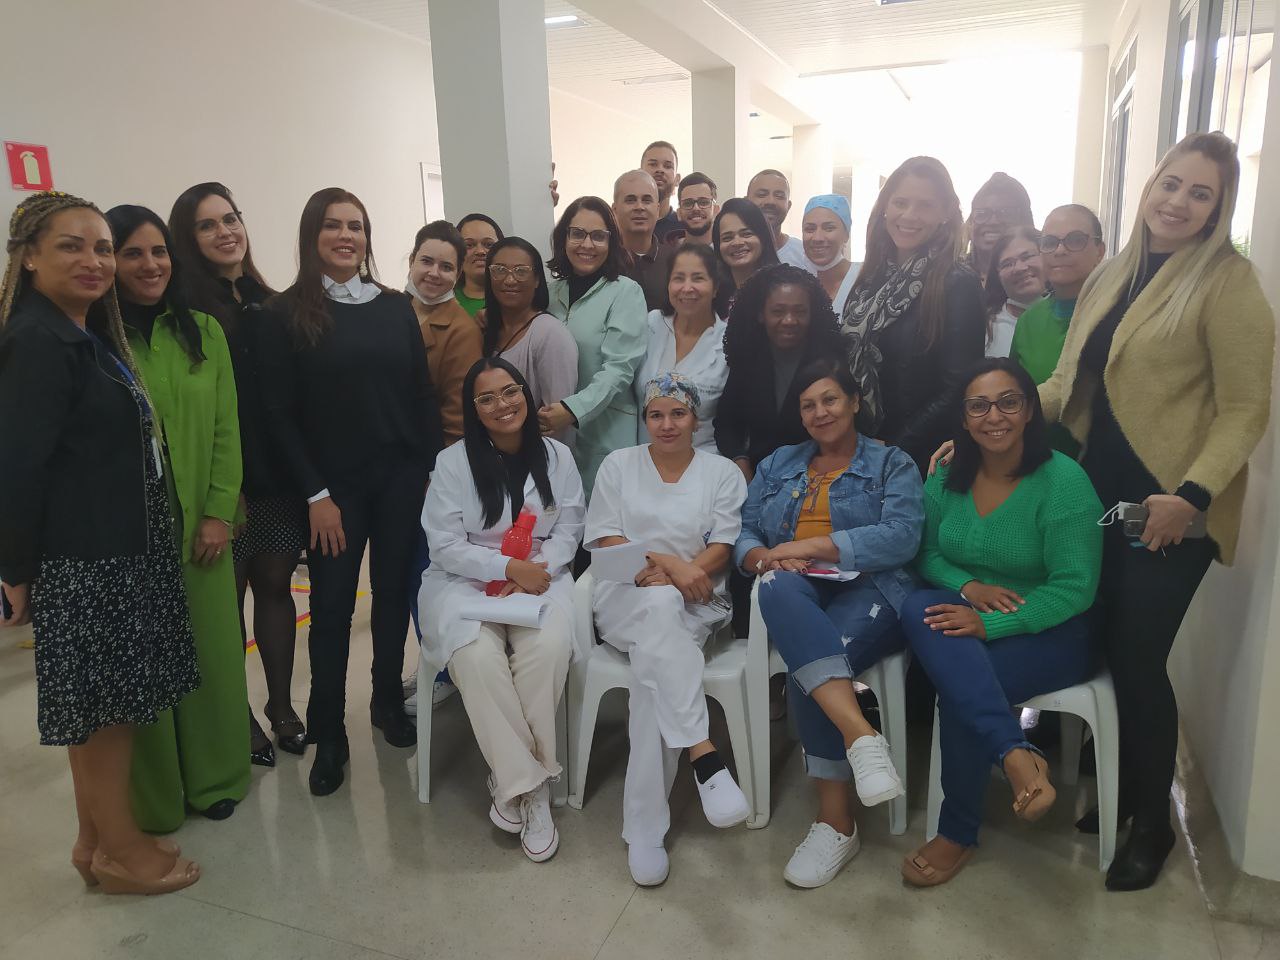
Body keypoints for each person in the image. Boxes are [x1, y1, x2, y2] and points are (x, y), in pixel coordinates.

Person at [1037, 132, 1274, 891]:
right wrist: (986, 422)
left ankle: (1152, 824)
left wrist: (1192, 496)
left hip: (1173, 507)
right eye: (1171, 184)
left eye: (1200, 194)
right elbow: (1064, 382)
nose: (1178, 202)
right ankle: (1120, 786)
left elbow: (1246, 409)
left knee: (1139, 658)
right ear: (1150, 185)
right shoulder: (1114, 272)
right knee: (1108, 647)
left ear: (1218, 208)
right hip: (1099, 494)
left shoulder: (1228, 282)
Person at [0, 191, 200, 894]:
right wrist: (13, 569)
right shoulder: (36, 341)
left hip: (115, 550)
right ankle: (119, 849)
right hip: (87, 558)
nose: (94, 261)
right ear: (29, 257)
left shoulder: (78, 334)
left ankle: (94, 841)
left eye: (101, 248)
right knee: (106, 713)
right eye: (71, 246)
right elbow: (18, 464)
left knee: (100, 706)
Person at [258, 187, 445, 797]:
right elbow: (279, 414)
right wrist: (315, 494)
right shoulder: (285, 313)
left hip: (398, 480)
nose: (346, 236)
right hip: (332, 491)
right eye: (334, 225)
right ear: (311, 234)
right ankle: (329, 732)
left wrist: (426, 469)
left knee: (392, 594)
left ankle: (386, 701)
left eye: (357, 226)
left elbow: (420, 393)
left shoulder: (393, 307)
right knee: (334, 608)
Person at [902, 358, 1102, 887]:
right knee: (916, 608)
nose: (994, 416)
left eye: (1008, 402)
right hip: (970, 612)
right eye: (979, 406)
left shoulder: (1063, 481)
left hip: (1053, 631)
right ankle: (1016, 754)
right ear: (964, 419)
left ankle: (956, 832)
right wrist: (971, 589)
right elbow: (925, 553)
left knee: (962, 689)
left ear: (1030, 410)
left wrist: (991, 625)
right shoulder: (947, 475)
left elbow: (1075, 587)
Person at [737, 357, 924, 889]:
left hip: (873, 587)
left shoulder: (891, 463)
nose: (820, 412)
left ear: (854, 402)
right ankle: (862, 736)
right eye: (808, 405)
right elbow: (745, 533)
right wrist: (766, 558)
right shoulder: (778, 464)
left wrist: (813, 545)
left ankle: (835, 822)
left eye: (830, 399)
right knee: (775, 586)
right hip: (795, 588)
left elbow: (903, 536)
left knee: (812, 664)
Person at [106, 204, 251, 829]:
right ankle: (157, 799)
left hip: (199, 525)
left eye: (159, 251)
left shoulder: (202, 332)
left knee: (212, 653)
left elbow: (225, 428)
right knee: (144, 663)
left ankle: (217, 777)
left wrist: (218, 511)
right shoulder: (96, 341)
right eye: (132, 253)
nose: (150, 265)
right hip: (124, 531)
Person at [418, 358, 585, 863]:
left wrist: (536, 569)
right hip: (463, 583)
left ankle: (515, 782)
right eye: (486, 398)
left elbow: (570, 529)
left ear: (525, 394)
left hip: (542, 578)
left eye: (510, 392)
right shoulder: (452, 463)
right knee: (475, 657)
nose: (502, 405)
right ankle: (530, 787)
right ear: (473, 410)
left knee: (548, 649)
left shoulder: (557, 456)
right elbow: (444, 544)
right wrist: (506, 567)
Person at [587, 373, 750, 886]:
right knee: (657, 607)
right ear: (644, 419)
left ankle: (645, 830)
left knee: (650, 680)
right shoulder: (618, 465)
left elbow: (723, 546)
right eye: (656, 414)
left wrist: (682, 575)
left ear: (695, 419)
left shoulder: (722, 472)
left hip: (696, 603)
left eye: (678, 413)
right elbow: (606, 539)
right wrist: (671, 565)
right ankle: (703, 753)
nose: (667, 424)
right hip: (622, 597)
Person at [169, 182, 306, 768]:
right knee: (224, 603)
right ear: (187, 238)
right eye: (208, 224)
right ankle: (239, 715)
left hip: (278, 479)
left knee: (276, 587)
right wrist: (225, 493)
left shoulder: (268, 302)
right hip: (224, 486)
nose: (225, 231)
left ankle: (281, 705)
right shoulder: (184, 312)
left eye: (231, 218)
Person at [840, 156, 986, 472]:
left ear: (946, 213)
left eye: (925, 205)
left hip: (917, 456)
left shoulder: (957, 282)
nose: (909, 215)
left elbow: (959, 386)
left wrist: (895, 446)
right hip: (861, 444)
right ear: (885, 207)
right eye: (900, 202)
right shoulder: (872, 277)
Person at [542, 196, 648, 494]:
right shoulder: (549, 293)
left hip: (607, 434)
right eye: (577, 233)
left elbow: (619, 369)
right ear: (563, 238)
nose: (587, 245)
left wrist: (572, 410)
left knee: (605, 517)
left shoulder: (625, 292)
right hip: (553, 434)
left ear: (611, 242)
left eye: (598, 236)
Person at [715, 263, 844, 482]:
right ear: (761, 314)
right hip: (757, 477)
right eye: (778, 311)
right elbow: (726, 424)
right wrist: (740, 461)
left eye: (800, 311)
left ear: (811, 314)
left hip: (818, 479)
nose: (789, 320)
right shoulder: (748, 359)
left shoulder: (830, 362)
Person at [477, 236, 579, 446]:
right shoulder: (485, 328)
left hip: (535, 457)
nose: (509, 280)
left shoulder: (550, 334)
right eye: (500, 270)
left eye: (521, 271)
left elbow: (556, 423)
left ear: (537, 279)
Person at [633, 242, 727, 452]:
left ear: (715, 287)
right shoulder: (651, 324)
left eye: (698, 278)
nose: (687, 288)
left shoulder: (728, 342)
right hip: (645, 459)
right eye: (678, 278)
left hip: (704, 461)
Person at [406, 220, 484, 446]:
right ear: (412, 261)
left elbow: (457, 420)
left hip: (424, 450)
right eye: (426, 261)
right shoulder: (391, 309)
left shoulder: (463, 331)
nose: (434, 273)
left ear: (458, 274)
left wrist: (440, 464)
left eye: (446, 267)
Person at [1010, 204, 1106, 384]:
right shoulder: (1029, 321)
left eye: (1075, 240)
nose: (1060, 251)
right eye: (1050, 243)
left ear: (1099, 252)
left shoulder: (1117, 311)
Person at [614, 170, 674, 311]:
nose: (639, 207)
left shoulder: (675, 260)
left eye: (647, 200)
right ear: (615, 210)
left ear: (657, 209)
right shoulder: (605, 261)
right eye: (630, 200)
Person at [711, 197, 780, 317]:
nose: (737, 243)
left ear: (763, 237)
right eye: (727, 238)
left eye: (746, 234)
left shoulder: (784, 291)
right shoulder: (714, 297)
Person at [983, 226, 1045, 358]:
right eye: (1007, 264)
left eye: (1027, 257)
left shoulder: (1073, 317)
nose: (1019, 268)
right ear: (998, 275)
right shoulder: (985, 327)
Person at [964, 172, 1035, 283]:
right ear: (970, 222)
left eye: (1005, 213)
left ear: (1026, 221)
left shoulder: (1044, 279)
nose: (993, 222)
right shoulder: (950, 278)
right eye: (982, 213)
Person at [802, 195, 861, 315]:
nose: (817, 238)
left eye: (829, 228)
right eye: (810, 229)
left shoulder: (865, 278)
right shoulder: (797, 284)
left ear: (846, 234)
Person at [748, 169, 815, 272]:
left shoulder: (805, 255)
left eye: (779, 196)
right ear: (746, 202)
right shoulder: (731, 251)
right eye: (762, 194)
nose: (770, 201)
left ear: (788, 206)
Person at [455, 213, 504, 318]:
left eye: (488, 245)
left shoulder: (515, 299)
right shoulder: (442, 300)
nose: (480, 251)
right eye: (469, 245)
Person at [641, 140, 682, 243]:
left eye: (667, 166)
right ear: (640, 173)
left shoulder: (684, 229)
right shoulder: (623, 225)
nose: (660, 170)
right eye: (653, 164)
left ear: (677, 179)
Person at [669, 171, 719, 247]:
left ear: (716, 210)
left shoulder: (728, 252)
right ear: (679, 213)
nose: (696, 208)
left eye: (703, 202)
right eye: (688, 203)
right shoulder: (665, 252)